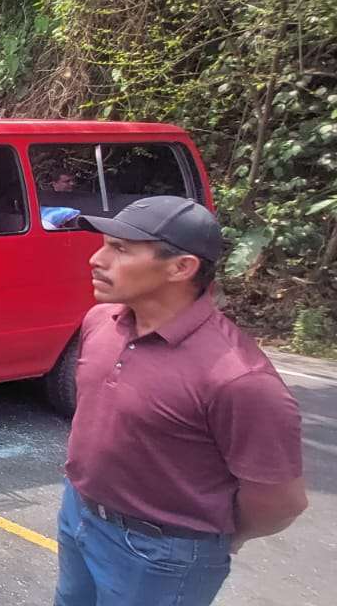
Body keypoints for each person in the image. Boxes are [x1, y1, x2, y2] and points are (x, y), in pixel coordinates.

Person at [55, 196, 306, 606]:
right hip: (79, 515)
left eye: (119, 249)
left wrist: (212, 539)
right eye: (104, 244)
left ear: (181, 267)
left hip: (162, 555)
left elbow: (280, 502)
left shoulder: (239, 380)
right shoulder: (102, 321)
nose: (96, 260)